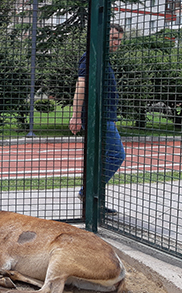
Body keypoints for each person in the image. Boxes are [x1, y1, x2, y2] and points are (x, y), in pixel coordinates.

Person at [70, 23, 125, 215]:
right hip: (99, 119)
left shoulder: (103, 59)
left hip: (105, 117)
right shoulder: (91, 56)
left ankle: (93, 204)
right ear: (103, 38)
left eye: (119, 40)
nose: (117, 43)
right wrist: (76, 116)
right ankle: (87, 193)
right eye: (114, 39)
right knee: (117, 155)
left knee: (99, 160)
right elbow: (81, 85)